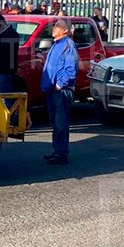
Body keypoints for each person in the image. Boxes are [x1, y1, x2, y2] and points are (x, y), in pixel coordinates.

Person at [41, 18, 78, 165]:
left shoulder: (68, 45)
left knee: (61, 122)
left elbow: (71, 69)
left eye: (58, 26)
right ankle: (56, 151)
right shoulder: (57, 45)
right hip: (52, 90)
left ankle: (61, 154)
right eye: (54, 26)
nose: (54, 28)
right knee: (55, 123)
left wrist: (60, 85)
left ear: (65, 31)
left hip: (61, 91)